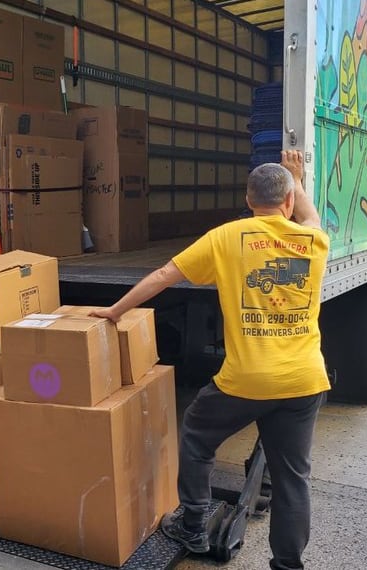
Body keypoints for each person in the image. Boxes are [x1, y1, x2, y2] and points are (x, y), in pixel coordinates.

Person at [90, 150, 330, 570]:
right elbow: (308, 215)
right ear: (288, 201)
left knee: (197, 437)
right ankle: (288, 565)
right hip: (305, 381)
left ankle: (195, 522)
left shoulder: (227, 237)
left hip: (246, 381)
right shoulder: (313, 240)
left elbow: (165, 274)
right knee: (293, 479)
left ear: (247, 198)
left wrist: (116, 310)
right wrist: (297, 176)